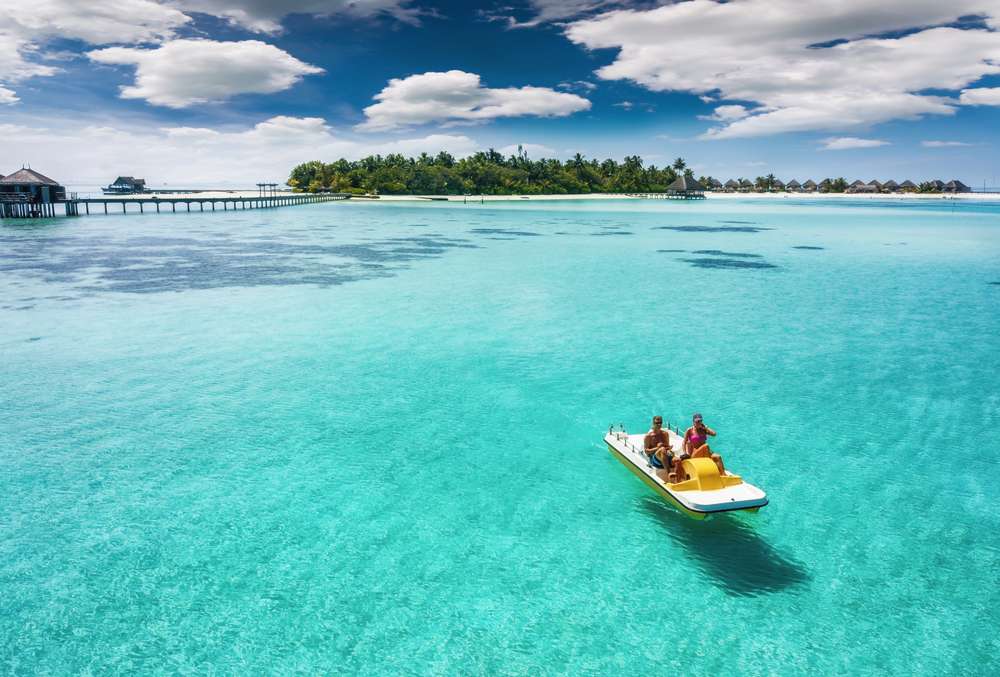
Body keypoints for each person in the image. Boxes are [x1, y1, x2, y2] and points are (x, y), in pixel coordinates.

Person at [644, 416, 687, 482]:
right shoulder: (648, 436)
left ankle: (677, 481)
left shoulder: (665, 434)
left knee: (677, 460)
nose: (659, 424)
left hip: (666, 455)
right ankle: (669, 473)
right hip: (656, 459)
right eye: (657, 423)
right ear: (653, 423)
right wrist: (657, 448)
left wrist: (669, 448)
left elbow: (667, 447)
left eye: (660, 423)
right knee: (662, 449)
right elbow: (646, 451)